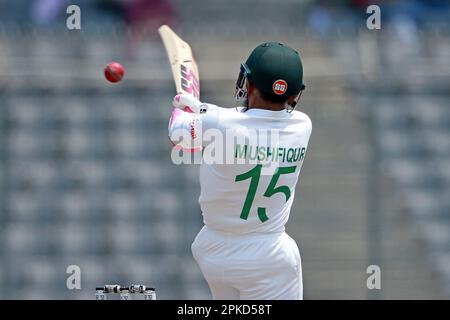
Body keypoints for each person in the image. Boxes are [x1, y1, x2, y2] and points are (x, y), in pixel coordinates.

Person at [168, 42, 312, 300]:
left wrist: (183, 104)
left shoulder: (217, 124)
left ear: (249, 84)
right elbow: (244, 122)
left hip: (213, 250)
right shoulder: (303, 126)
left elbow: (178, 134)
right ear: (293, 96)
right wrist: (205, 111)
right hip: (269, 255)